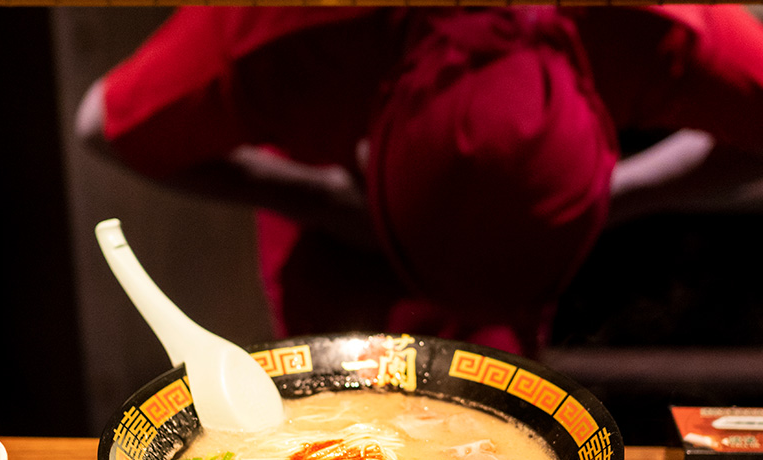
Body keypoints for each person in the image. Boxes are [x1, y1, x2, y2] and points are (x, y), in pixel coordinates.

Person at [76, 4, 763, 357]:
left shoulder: (652, 26)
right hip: (342, 260)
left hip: (523, 261)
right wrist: (315, 197)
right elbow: (100, 124)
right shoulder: (291, 31)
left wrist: (616, 198)